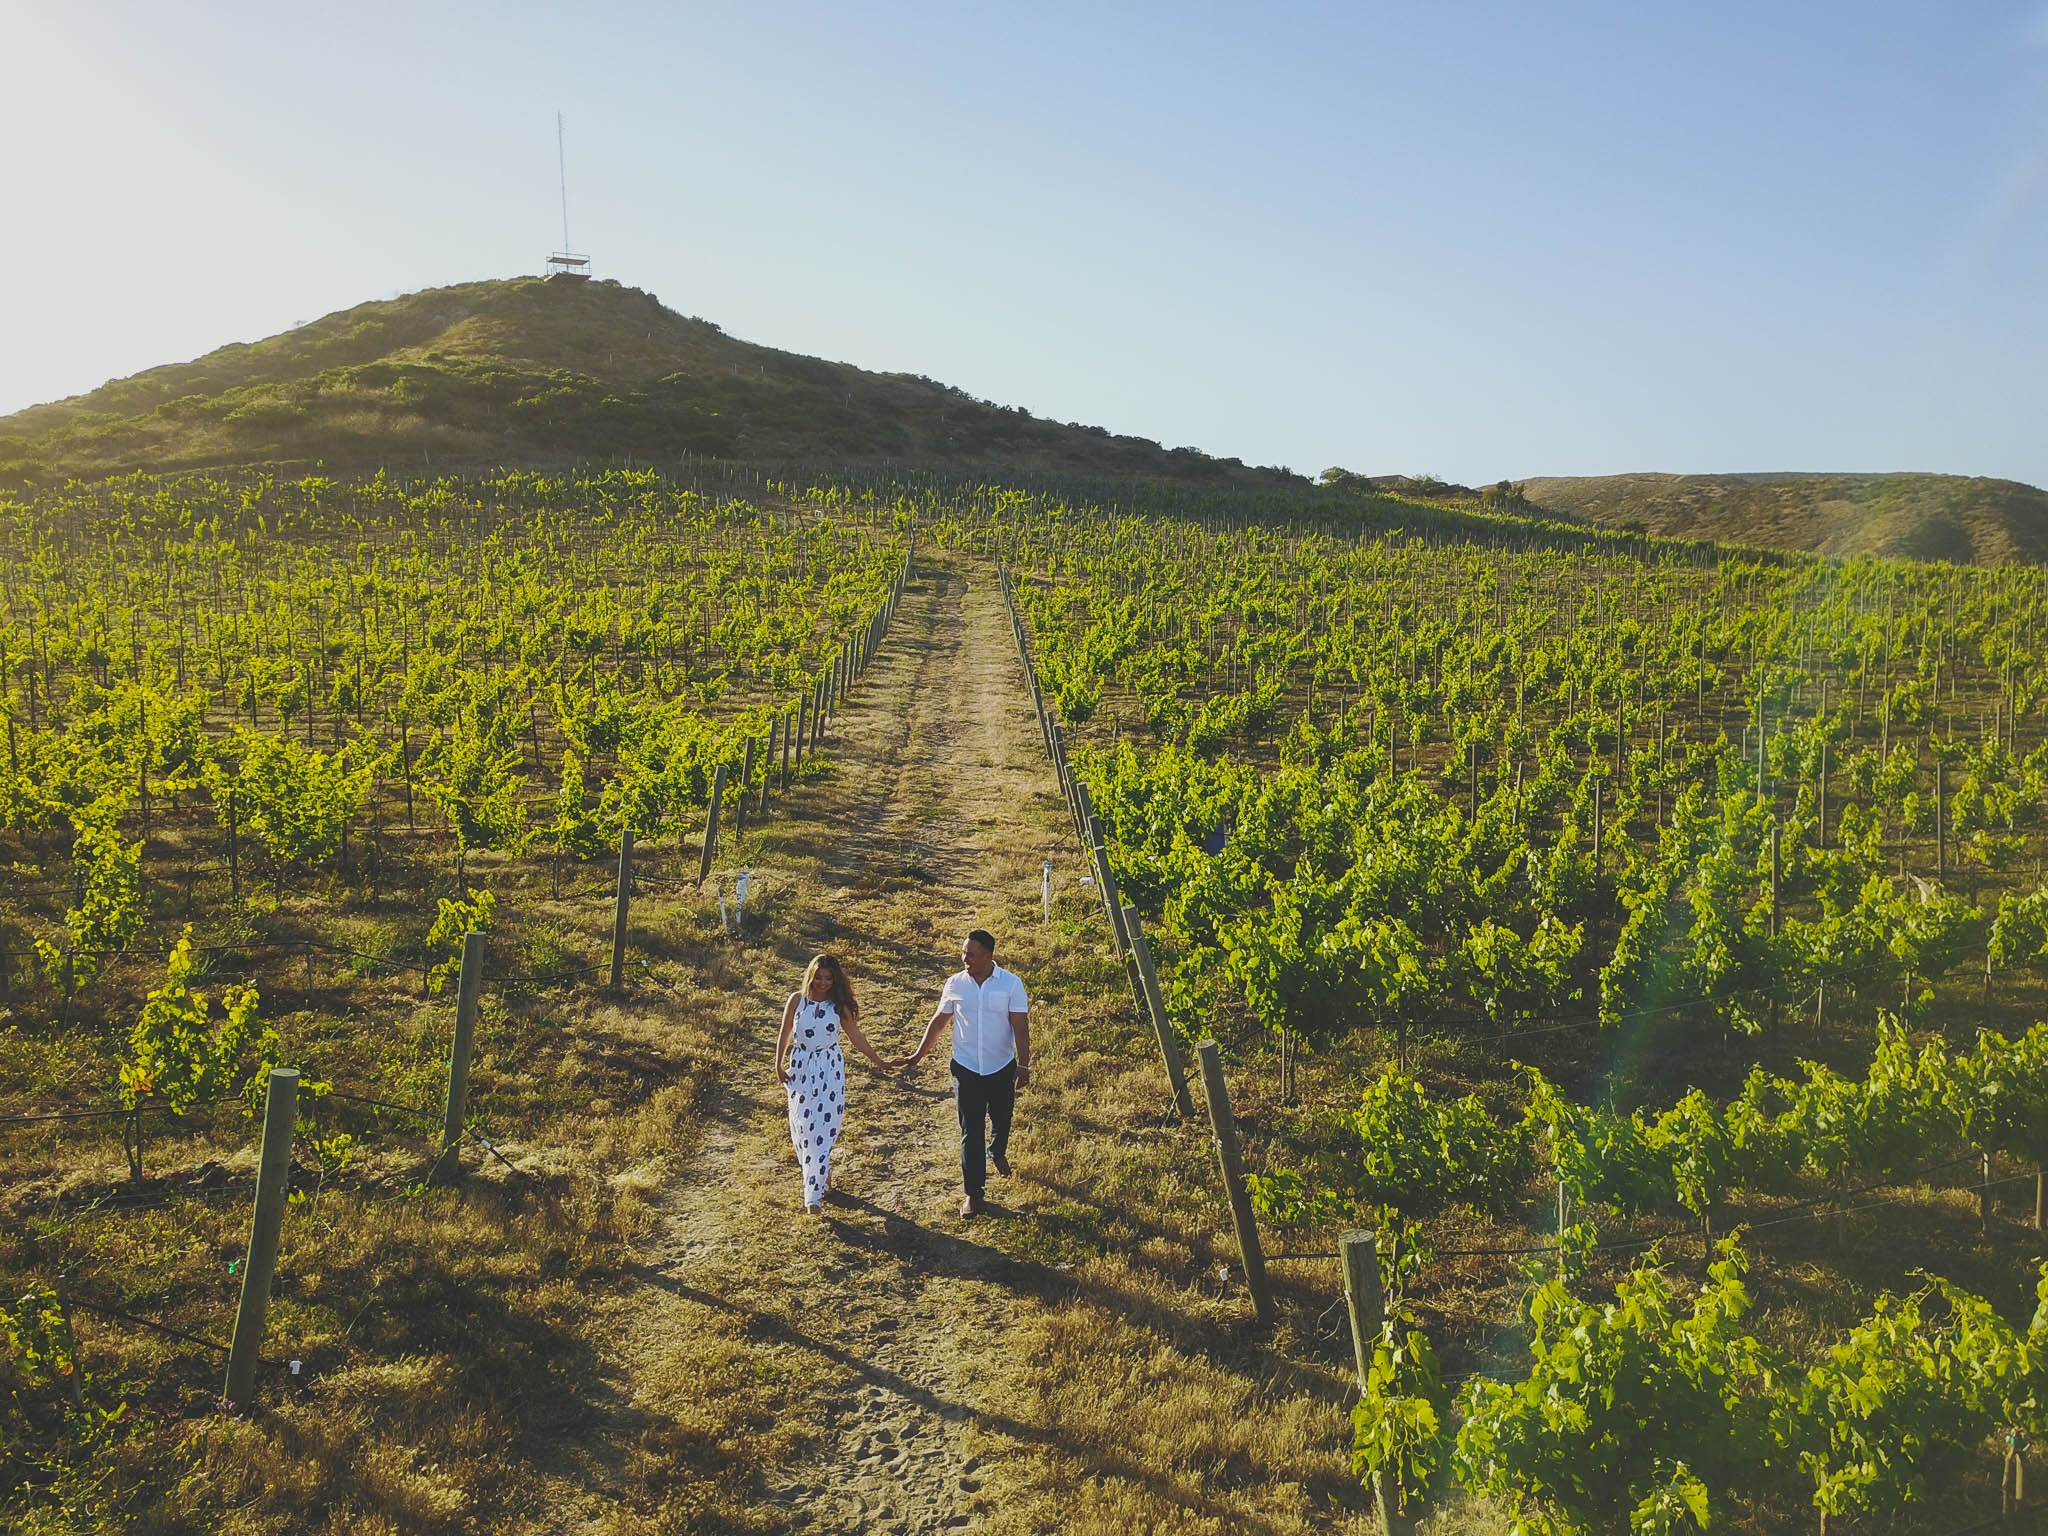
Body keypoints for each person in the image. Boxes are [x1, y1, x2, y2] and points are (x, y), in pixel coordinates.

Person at [896, 929, 1030, 1217]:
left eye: (971, 954)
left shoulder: (1011, 985)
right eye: (963, 953)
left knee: (1002, 1116)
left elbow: (1020, 1025)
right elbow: (940, 1021)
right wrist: (918, 1054)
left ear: (988, 956)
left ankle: (997, 1149)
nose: (964, 959)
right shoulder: (955, 984)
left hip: (1001, 1066)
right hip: (966, 1067)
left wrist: (1024, 1064)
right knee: (971, 1128)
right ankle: (973, 1193)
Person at [775, 953, 893, 1214]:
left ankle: (813, 1196)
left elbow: (857, 1038)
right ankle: (820, 1175)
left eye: (829, 978)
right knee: (804, 1128)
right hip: (801, 1068)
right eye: (819, 977)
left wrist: (880, 1061)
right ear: (810, 975)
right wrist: (778, 1063)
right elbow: (785, 1033)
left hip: (830, 1069)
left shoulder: (838, 1007)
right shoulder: (797, 1001)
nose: (823, 982)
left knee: (825, 1127)